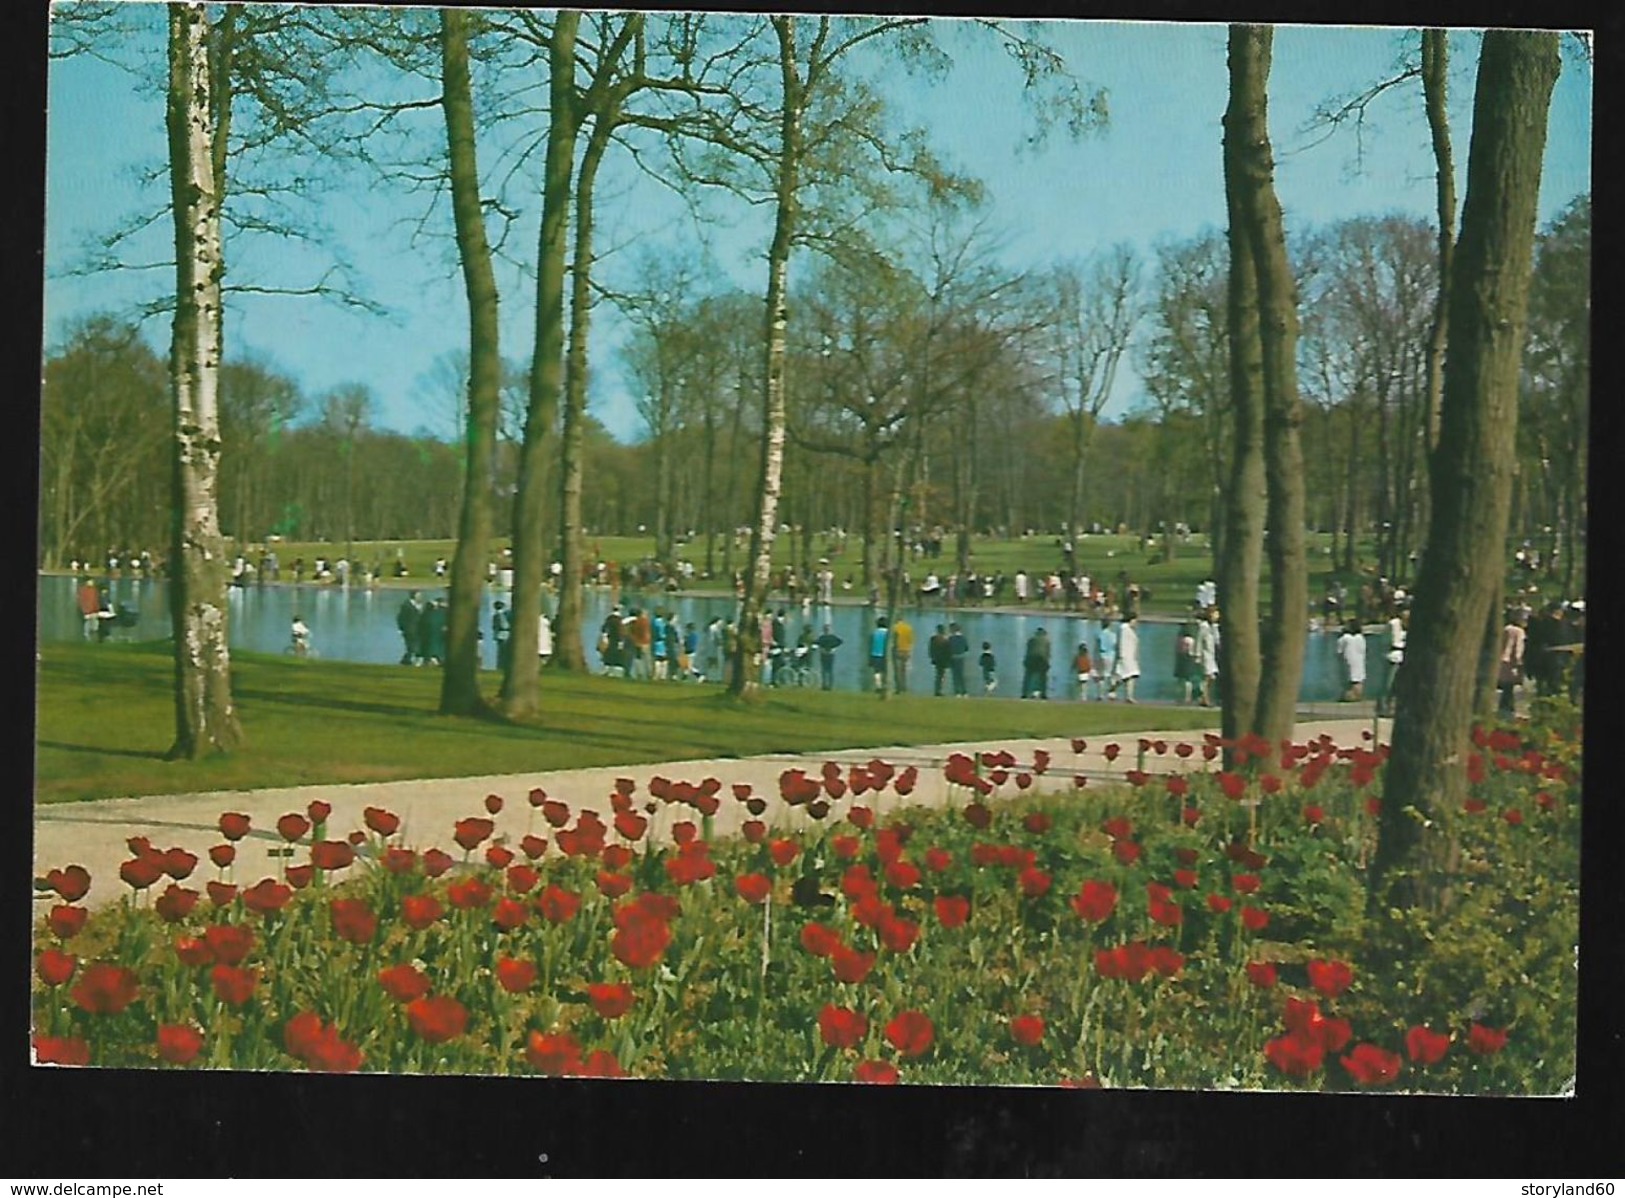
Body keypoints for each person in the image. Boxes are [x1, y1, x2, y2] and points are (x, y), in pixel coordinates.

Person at [1498, 609, 1526, 716]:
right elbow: (1518, 647)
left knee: (1505, 683)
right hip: (1512, 660)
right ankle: (1507, 705)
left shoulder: (1505, 629)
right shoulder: (1519, 631)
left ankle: (1505, 704)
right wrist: (1518, 660)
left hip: (1503, 658)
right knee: (1510, 684)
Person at [1380, 608, 1407, 716]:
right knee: (1389, 684)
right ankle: (1384, 706)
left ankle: (1397, 707)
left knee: (1402, 685)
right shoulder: (1393, 624)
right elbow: (1386, 640)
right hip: (1394, 657)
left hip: (1404, 656)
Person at [1111, 617, 1141, 703]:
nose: (1136, 623)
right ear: (1130, 620)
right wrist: (1121, 656)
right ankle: (1113, 690)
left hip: (1130, 657)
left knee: (1130, 676)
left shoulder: (1128, 630)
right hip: (1126, 657)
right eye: (1135, 621)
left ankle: (1129, 696)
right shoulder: (1124, 630)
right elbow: (1121, 644)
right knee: (1126, 676)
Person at [1196, 607, 1222, 707]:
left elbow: (1217, 641)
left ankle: (1204, 697)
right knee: (1207, 677)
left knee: (1211, 677)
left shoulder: (1214, 627)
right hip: (1205, 655)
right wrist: (1197, 655)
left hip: (1212, 656)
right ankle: (1204, 698)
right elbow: (1199, 641)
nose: (1216, 616)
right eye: (1215, 614)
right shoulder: (1204, 627)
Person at [1336, 619, 1367, 702]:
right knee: (1358, 680)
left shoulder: (1344, 638)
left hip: (1348, 662)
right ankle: (1357, 696)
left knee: (1349, 681)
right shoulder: (1361, 638)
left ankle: (1349, 697)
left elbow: (1339, 651)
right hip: (1360, 662)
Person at [1174, 620, 1201, 704]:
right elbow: (1192, 650)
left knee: (1180, 680)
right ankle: (1187, 697)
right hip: (1189, 659)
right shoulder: (1191, 640)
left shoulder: (1180, 639)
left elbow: (1177, 650)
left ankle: (1179, 697)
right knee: (1188, 680)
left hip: (1182, 660)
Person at [1022, 627, 1051, 699]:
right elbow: (1047, 653)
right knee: (1043, 677)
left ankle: (1025, 693)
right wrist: (1047, 664)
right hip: (1042, 659)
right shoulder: (1047, 641)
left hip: (1031, 658)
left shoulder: (1031, 640)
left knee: (1028, 677)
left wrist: (1025, 661)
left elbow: (1028, 651)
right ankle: (1043, 694)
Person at [1092, 618, 1118, 702]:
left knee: (1101, 675)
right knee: (1111, 675)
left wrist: (1094, 659)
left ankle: (1100, 694)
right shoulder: (1113, 635)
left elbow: (1096, 648)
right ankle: (1112, 694)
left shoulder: (1099, 635)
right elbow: (1115, 646)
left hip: (1101, 655)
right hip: (1111, 656)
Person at [397, 591, 425, 665]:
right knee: (411, 645)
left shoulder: (420, 605)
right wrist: (401, 628)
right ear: (413, 596)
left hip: (417, 629)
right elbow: (400, 617)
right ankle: (407, 660)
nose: (420, 597)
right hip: (409, 629)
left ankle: (408, 660)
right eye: (418, 595)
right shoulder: (406, 605)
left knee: (414, 646)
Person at [815, 624, 843, 690]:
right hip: (824, 654)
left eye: (827, 629)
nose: (827, 630)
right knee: (824, 670)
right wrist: (821, 649)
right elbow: (816, 643)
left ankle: (830, 685)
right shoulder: (822, 637)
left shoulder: (833, 637)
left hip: (830, 654)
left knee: (829, 670)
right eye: (826, 629)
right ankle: (824, 684)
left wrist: (834, 648)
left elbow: (840, 642)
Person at [891, 617, 914, 693]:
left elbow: (893, 640)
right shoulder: (909, 628)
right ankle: (904, 687)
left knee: (897, 671)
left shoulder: (894, 628)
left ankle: (898, 688)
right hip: (906, 651)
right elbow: (911, 641)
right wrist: (910, 651)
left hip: (897, 650)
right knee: (904, 671)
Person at [947, 622, 970, 696]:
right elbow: (966, 648)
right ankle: (964, 691)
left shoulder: (951, 638)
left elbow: (948, 648)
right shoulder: (963, 638)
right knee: (961, 675)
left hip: (953, 658)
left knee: (955, 675)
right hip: (961, 658)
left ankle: (957, 692)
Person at [928, 624, 952, 696]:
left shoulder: (933, 639)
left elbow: (931, 650)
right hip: (943, 660)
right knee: (940, 675)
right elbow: (948, 652)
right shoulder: (946, 640)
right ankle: (938, 690)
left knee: (939, 675)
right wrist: (948, 661)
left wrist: (932, 657)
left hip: (936, 659)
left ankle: (937, 690)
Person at [868, 618, 890, 693]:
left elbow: (870, 644)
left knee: (877, 672)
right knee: (885, 671)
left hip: (875, 654)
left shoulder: (874, 633)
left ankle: (878, 686)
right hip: (885, 655)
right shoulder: (888, 633)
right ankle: (885, 686)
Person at [492, 600, 513, 672]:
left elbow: (496, 626)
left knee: (502, 652)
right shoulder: (506, 613)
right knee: (502, 652)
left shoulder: (505, 614)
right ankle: (501, 665)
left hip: (503, 635)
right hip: (503, 635)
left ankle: (501, 665)